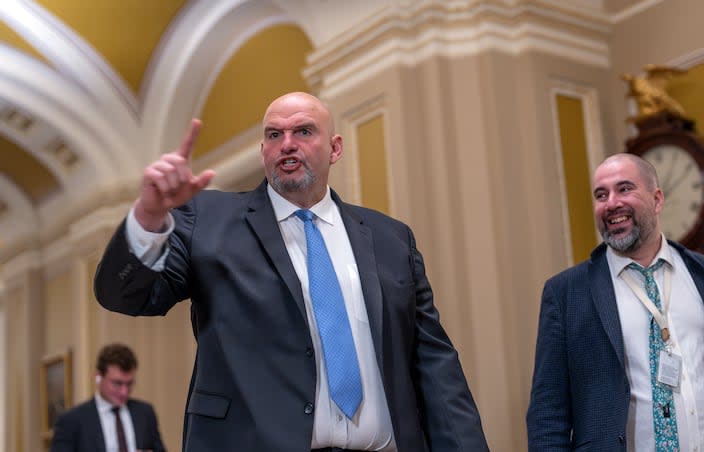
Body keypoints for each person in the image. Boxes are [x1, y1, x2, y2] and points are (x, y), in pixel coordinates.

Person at [93, 92, 489, 451]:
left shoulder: (391, 239)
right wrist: (148, 215)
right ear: (263, 150)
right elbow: (124, 294)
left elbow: (435, 364)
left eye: (303, 131)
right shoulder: (207, 219)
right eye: (273, 135)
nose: (287, 145)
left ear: (335, 148)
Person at [526, 153, 704, 451]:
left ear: (657, 199)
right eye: (601, 195)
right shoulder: (568, 293)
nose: (612, 202)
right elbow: (548, 415)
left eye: (625, 188)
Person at [51, 343, 166, 452]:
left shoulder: (145, 413)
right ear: (98, 377)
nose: (124, 392)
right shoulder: (71, 420)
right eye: (117, 383)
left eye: (129, 383)